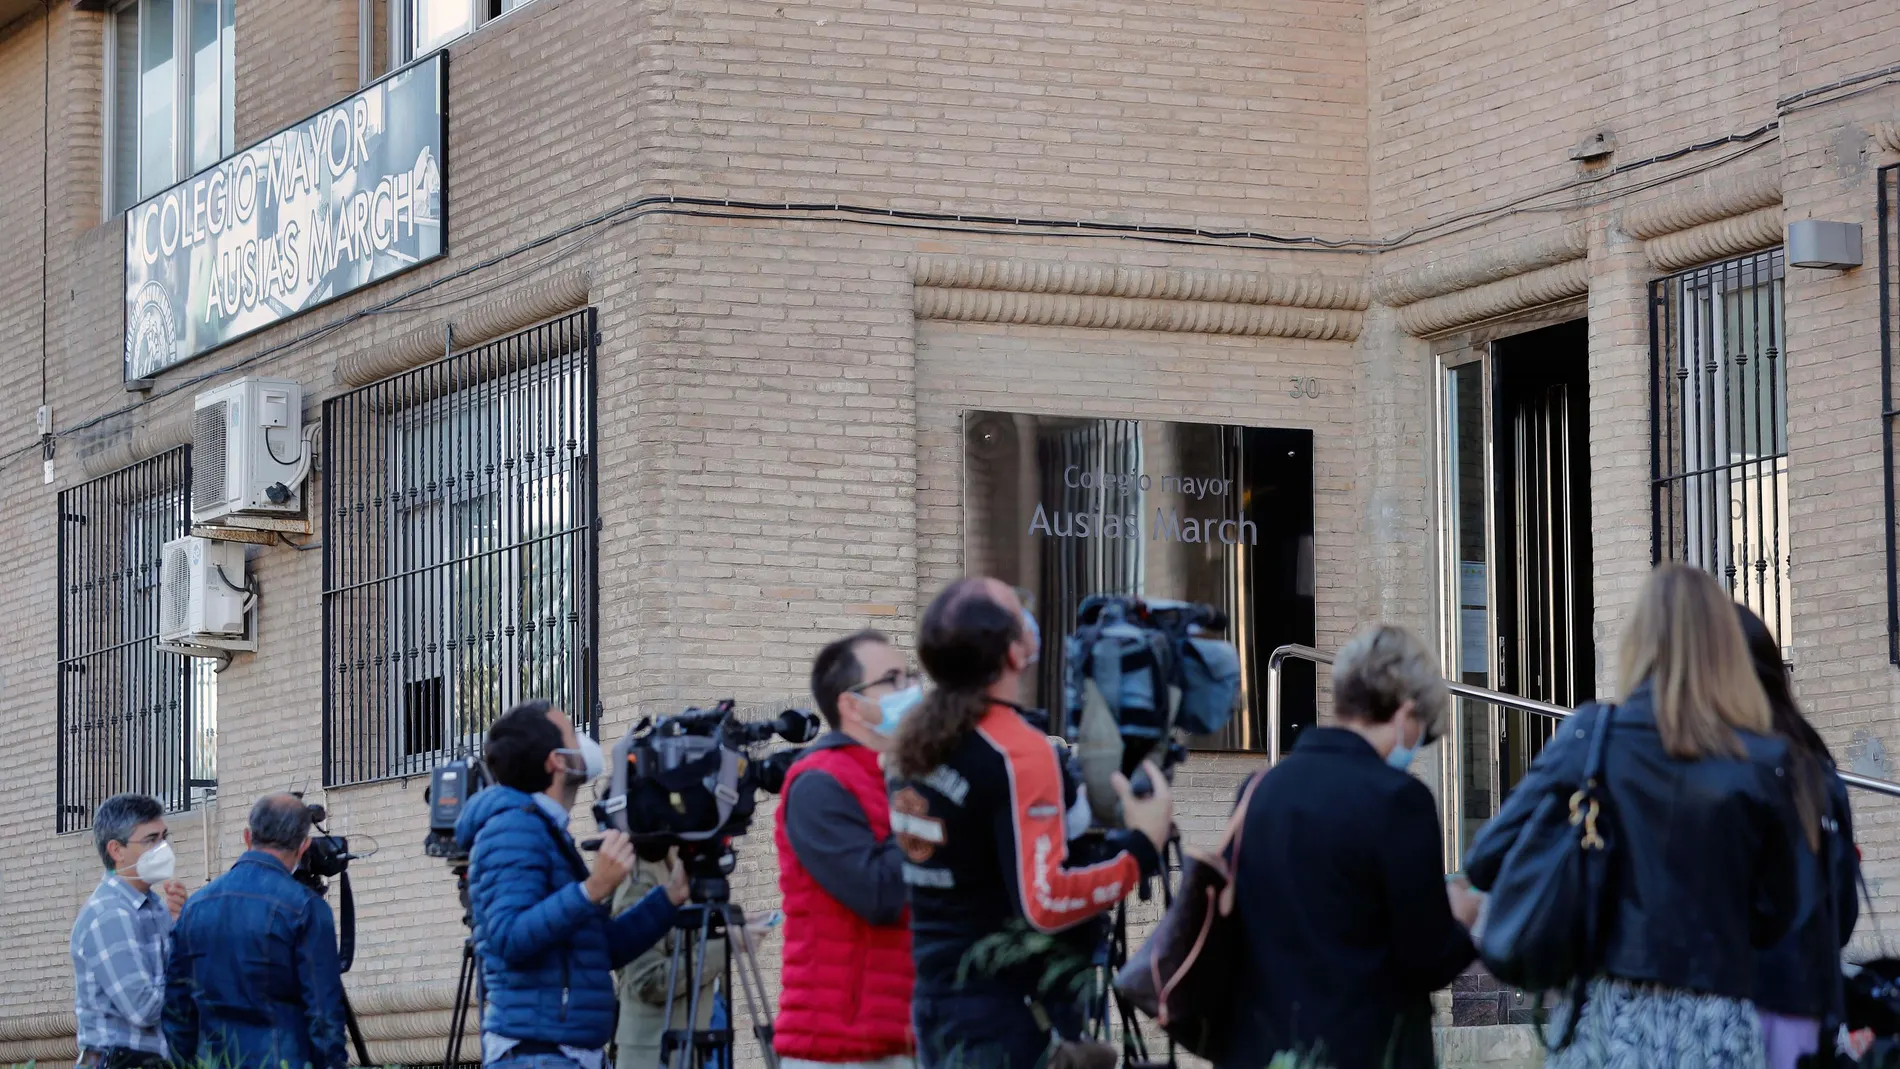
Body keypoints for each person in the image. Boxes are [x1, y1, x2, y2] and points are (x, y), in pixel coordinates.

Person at [1465, 563, 1801, 1069]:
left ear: (1639, 643)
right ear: (1724, 648)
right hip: (1718, 1021)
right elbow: (1777, 913)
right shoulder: (1765, 761)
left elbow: (1486, 858)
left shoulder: (1591, 738)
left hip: (1606, 1015)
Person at [889, 577, 1173, 1069]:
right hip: (1011, 1017)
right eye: (1019, 614)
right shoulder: (1016, 749)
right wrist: (1141, 851)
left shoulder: (910, 741)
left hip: (936, 999)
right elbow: (1045, 901)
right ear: (1015, 653)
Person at [1217, 623, 1479, 1069]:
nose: (1419, 743)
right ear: (1405, 712)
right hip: (1365, 1049)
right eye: (1425, 731)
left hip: (1265, 1050)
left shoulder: (1258, 790)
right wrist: (1463, 917)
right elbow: (1428, 959)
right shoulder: (1399, 800)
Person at [456, 699, 688, 1069]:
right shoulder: (511, 829)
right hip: (538, 1054)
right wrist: (593, 889)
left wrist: (669, 897)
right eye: (573, 736)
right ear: (557, 760)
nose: (584, 745)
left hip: (566, 1052)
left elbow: (599, 950)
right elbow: (508, 937)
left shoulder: (544, 830)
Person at [773, 630, 919, 1069]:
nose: (911, 690)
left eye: (911, 676)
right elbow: (879, 895)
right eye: (893, 680)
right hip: (839, 1046)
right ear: (851, 704)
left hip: (912, 1032)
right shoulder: (819, 783)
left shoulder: (898, 777)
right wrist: (916, 795)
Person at [1737, 604, 1860, 1069]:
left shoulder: (1717, 773)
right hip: (1808, 1004)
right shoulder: (1815, 764)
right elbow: (1842, 911)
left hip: (1736, 1009)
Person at [163, 793, 347, 1069]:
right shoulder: (307, 908)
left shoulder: (195, 908)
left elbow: (177, 1010)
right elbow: (324, 1015)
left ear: (247, 837)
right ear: (304, 845)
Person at [71, 794, 188, 1069]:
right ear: (116, 850)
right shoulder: (109, 914)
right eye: (150, 840)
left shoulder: (156, 907)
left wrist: (180, 926)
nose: (162, 848)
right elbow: (143, 1008)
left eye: (164, 837)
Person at [609, 854, 723, 1069]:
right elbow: (648, 979)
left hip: (702, 1036)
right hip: (657, 1050)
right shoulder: (642, 875)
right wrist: (721, 948)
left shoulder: (693, 867)